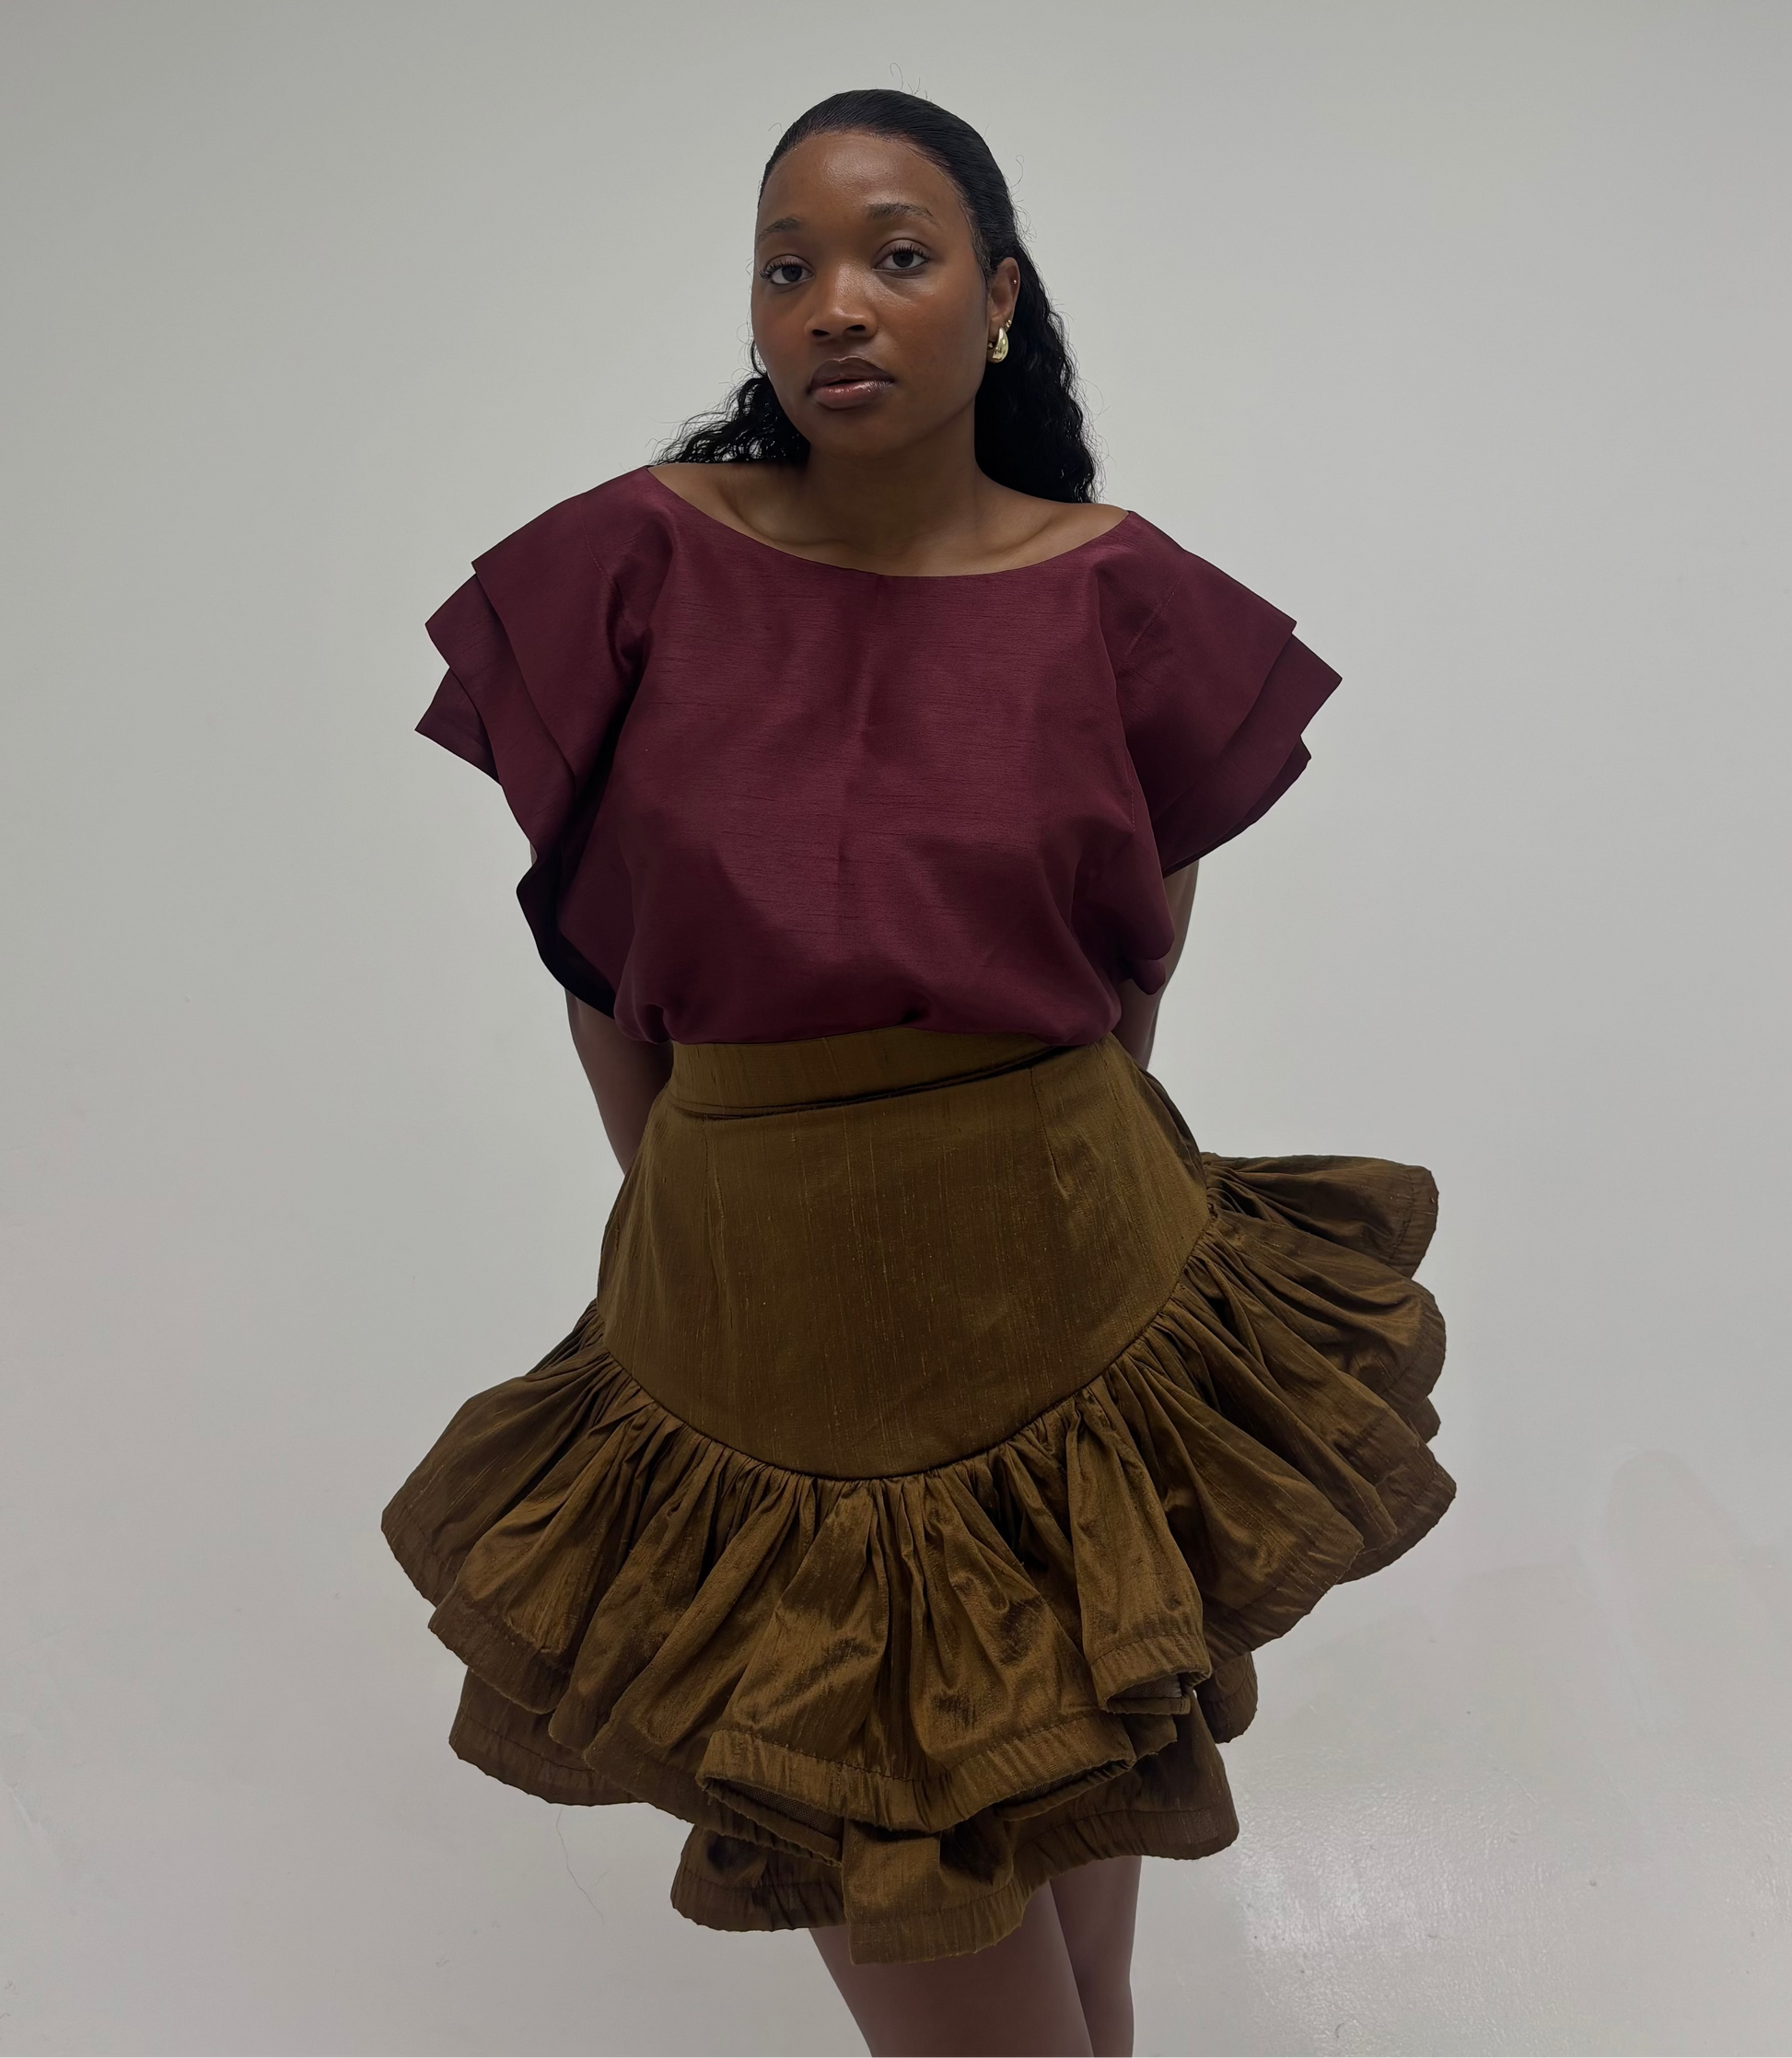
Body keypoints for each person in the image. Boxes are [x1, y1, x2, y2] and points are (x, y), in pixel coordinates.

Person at [382, 87, 1454, 2058]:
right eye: (785, 268)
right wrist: (727, 1219)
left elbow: (1121, 991)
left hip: (1074, 1328)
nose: (834, 306)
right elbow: (599, 966)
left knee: (1091, 1993)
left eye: (895, 254)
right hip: (759, 1348)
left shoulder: (1124, 598)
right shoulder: (626, 567)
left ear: (1001, 296)